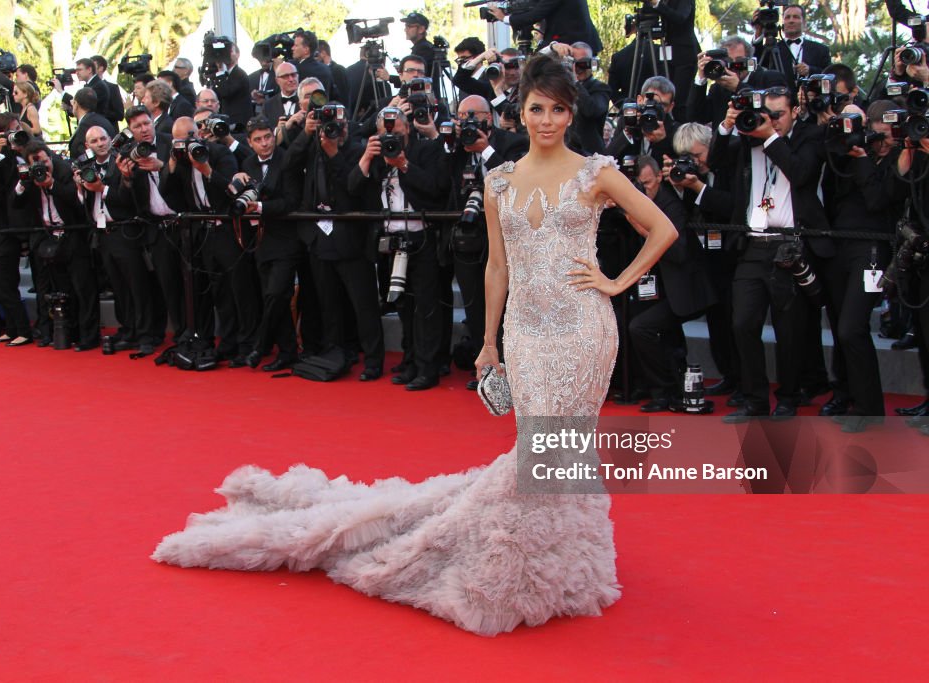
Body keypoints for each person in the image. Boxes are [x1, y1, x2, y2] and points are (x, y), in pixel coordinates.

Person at [153, 55, 676, 636]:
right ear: (522, 111)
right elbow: (497, 268)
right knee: (542, 443)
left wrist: (614, 281)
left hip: (582, 328)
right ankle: (545, 558)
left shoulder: (596, 172)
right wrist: (487, 342)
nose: (546, 120)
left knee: (561, 444)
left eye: (557, 109)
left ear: (570, 112)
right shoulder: (501, 179)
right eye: (536, 109)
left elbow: (663, 227)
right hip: (526, 332)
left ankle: (552, 563)